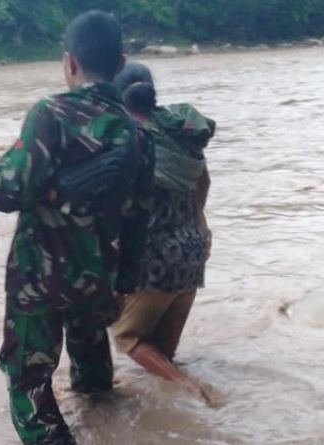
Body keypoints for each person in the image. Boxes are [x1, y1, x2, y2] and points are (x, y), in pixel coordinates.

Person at [0, 11, 154, 445]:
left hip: (40, 281)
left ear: (69, 62)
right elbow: (140, 215)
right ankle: (109, 426)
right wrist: (124, 279)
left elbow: (8, 190)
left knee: (29, 378)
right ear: (121, 61)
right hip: (97, 277)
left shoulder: (50, 114)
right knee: (92, 365)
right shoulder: (139, 133)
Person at [110, 61, 225, 406]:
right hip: (192, 252)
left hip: (155, 259)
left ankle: (190, 388)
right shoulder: (182, 136)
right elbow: (203, 185)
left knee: (127, 338)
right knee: (159, 355)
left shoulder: (129, 140)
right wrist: (190, 226)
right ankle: (174, 412)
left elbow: (119, 210)